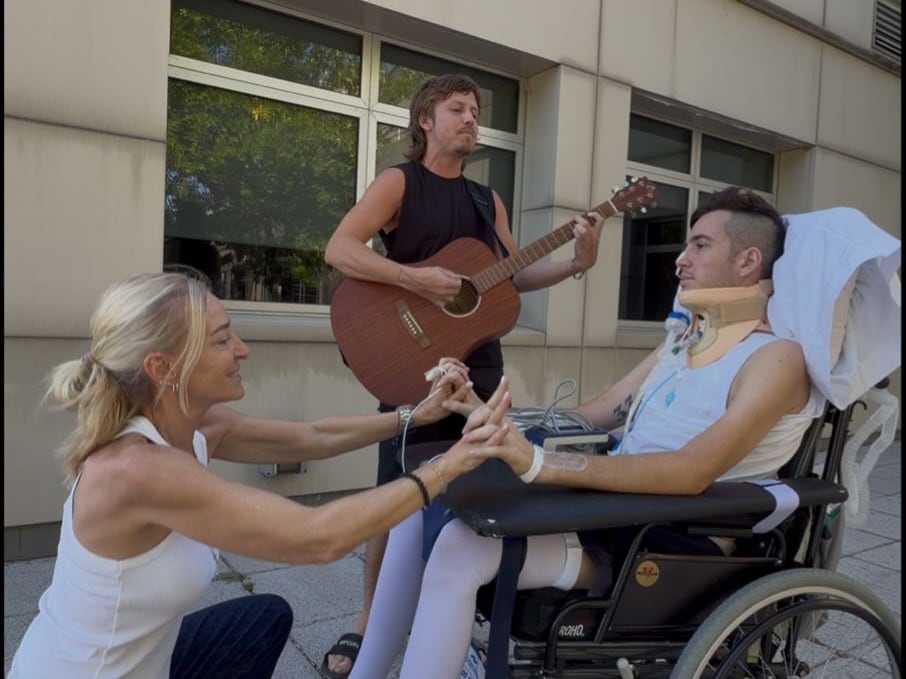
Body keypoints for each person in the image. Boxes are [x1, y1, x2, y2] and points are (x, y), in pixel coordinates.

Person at [349, 186, 822, 679]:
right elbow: (595, 414)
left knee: (457, 548)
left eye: (700, 245)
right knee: (417, 503)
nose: (681, 259)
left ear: (748, 261)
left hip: (676, 537)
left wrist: (540, 463)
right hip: (615, 511)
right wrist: (485, 411)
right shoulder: (684, 341)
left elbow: (692, 471)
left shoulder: (776, 359)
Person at [7, 271, 517, 679]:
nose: (242, 349)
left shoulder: (195, 427)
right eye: (221, 340)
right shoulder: (134, 471)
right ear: (163, 368)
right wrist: (450, 464)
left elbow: (314, 436)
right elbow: (317, 537)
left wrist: (414, 415)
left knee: (263, 618)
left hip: (149, 664)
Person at [322, 73, 604, 677]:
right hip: (411, 363)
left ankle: (454, 613)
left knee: (478, 487)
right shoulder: (400, 182)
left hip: (478, 363)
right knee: (397, 496)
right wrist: (413, 279)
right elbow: (340, 249)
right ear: (425, 120)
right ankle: (368, 622)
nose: (471, 118)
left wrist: (576, 264)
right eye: (458, 109)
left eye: (475, 110)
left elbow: (511, 276)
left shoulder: (486, 201)